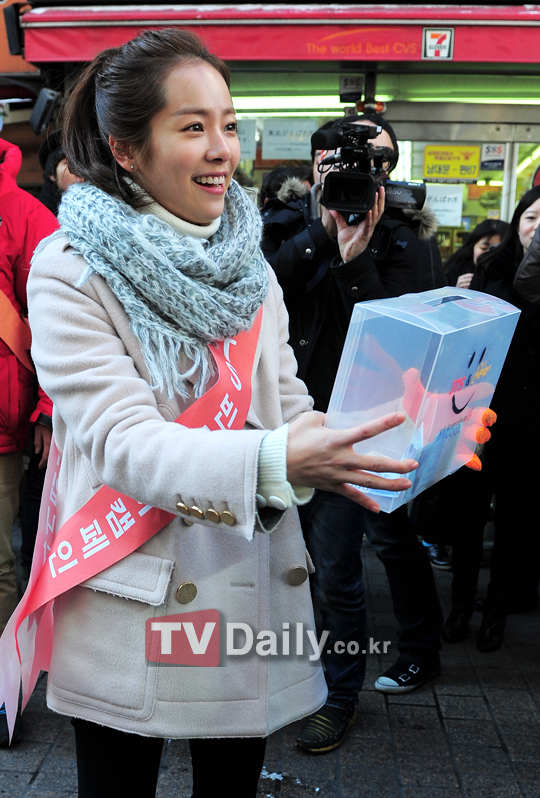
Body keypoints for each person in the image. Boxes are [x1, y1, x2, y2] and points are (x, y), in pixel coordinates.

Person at [15, 30, 416, 796]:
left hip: (241, 581)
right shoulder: (69, 268)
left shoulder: (249, 263)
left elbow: (289, 403)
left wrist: (382, 445)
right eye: (192, 126)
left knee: (231, 783)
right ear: (126, 148)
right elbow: (123, 442)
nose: (221, 149)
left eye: (229, 124)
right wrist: (279, 460)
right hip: (131, 587)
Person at [261, 114, 446, 754]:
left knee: (339, 571)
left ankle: (337, 697)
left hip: (357, 429)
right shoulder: (286, 226)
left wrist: (357, 257)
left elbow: (401, 335)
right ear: (316, 167)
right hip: (282, 421)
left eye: (376, 163)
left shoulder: (404, 237)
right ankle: (286, 678)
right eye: (339, 164)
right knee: (279, 567)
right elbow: (265, 289)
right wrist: (322, 229)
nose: (359, 175)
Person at [432, 186, 540, 650]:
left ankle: (496, 614)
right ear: (518, 222)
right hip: (479, 416)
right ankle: (459, 607)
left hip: (530, 422)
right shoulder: (491, 267)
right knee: (467, 519)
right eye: (532, 217)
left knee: (515, 525)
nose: (538, 227)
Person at [0, 139, 57, 747]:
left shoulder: (26, 214)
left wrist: (46, 409)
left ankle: (2, 690)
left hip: (4, 422)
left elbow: (52, 322)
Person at [417, 218, 511, 571]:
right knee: (441, 469)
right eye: (484, 246)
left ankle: (456, 543)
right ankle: (432, 537)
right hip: (452, 390)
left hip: (486, 394)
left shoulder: (509, 283)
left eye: (497, 248)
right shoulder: (454, 279)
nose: (489, 254)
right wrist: (456, 294)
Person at [445, 218, 510, 289]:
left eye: (495, 249)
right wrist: (456, 291)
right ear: (473, 247)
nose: (489, 254)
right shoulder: (455, 271)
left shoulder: (512, 279)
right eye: (484, 248)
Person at [37, 129, 84, 215]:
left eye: (85, 164)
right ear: (52, 175)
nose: (80, 171)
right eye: (70, 164)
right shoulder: (41, 215)